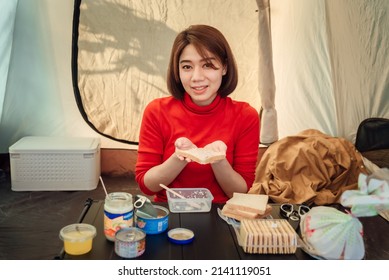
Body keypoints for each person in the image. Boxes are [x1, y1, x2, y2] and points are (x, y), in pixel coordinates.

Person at [135, 24, 260, 203]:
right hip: (168, 212)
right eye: (187, 67)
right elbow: (147, 186)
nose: (196, 77)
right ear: (177, 70)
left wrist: (217, 160)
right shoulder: (157, 111)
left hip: (221, 214)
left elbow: (239, 192)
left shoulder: (246, 116)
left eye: (208, 65)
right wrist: (180, 157)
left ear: (224, 67)